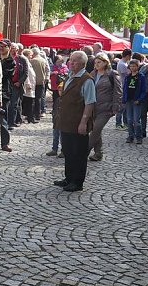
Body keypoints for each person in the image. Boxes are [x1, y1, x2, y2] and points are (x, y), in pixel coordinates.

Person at [52, 51, 96, 192]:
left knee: (79, 152)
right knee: (68, 150)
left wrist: (84, 122)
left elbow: (90, 103)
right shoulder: (71, 76)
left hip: (78, 122)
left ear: (82, 63)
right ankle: (69, 178)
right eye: (71, 60)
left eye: (75, 61)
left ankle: (77, 182)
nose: (71, 63)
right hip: (66, 121)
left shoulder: (86, 80)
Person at [87, 52, 120, 161]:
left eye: (99, 62)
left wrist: (115, 108)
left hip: (106, 108)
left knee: (96, 130)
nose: (96, 64)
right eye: (95, 62)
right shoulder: (93, 73)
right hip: (93, 107)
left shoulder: (112, 74)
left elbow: (118, 92)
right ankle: (98, 153)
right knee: (97, 130)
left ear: (106, 62)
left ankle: (84, 152)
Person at [122, 59, 147, 144]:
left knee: (136, 120)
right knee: (129, 119)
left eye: (134, 66)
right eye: (131, 66)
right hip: (128, 100)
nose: (132, 68)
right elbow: (125, 88)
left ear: (138, 66)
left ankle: (138, 136)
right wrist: (123, 98)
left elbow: (144, 90)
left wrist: (140, 99)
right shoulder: (127, 77)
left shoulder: (141, 77)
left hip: (136, 100)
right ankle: (130, 136)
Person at [115, 48, 133, 129]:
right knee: (122, 107)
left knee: (125, 107)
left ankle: (125, 123)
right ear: (128, 56)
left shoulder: (124, 63)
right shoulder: (122, 64)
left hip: (124, 86)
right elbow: (127, 74)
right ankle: (118, 123)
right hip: (122, 86)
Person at [30, 48, 47, 123]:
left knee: (34, 99)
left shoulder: (33, 61)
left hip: (34, 82)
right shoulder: (43, 60)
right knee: (39, 99)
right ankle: (38, 114)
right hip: (41, 81)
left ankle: (34, 114)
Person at [21, 48, 37, 122]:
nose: (31, 56)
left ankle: (30, 117)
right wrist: (28, 84)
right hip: (28, 84)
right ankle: (30, 117)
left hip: (31, 83)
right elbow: (26, 74)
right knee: (29, 102)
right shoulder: (26, 62)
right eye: (30, 55)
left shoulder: (28, 62)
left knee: (30, 101)